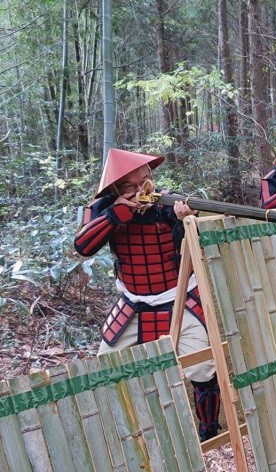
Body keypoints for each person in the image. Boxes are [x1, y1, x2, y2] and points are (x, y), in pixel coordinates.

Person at [73, 148, 220, 442]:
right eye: (131, 185)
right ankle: (120, 432)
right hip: (133, 305)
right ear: (116, 188)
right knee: (107, 367)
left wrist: (186, 219)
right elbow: (83, 246)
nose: (142, 189)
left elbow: (198, 242)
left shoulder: (167, 202)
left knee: (202, 367)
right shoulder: (101, 208)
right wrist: (117, 214)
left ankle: (208, 431)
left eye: (146, 180)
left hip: (180, 300)